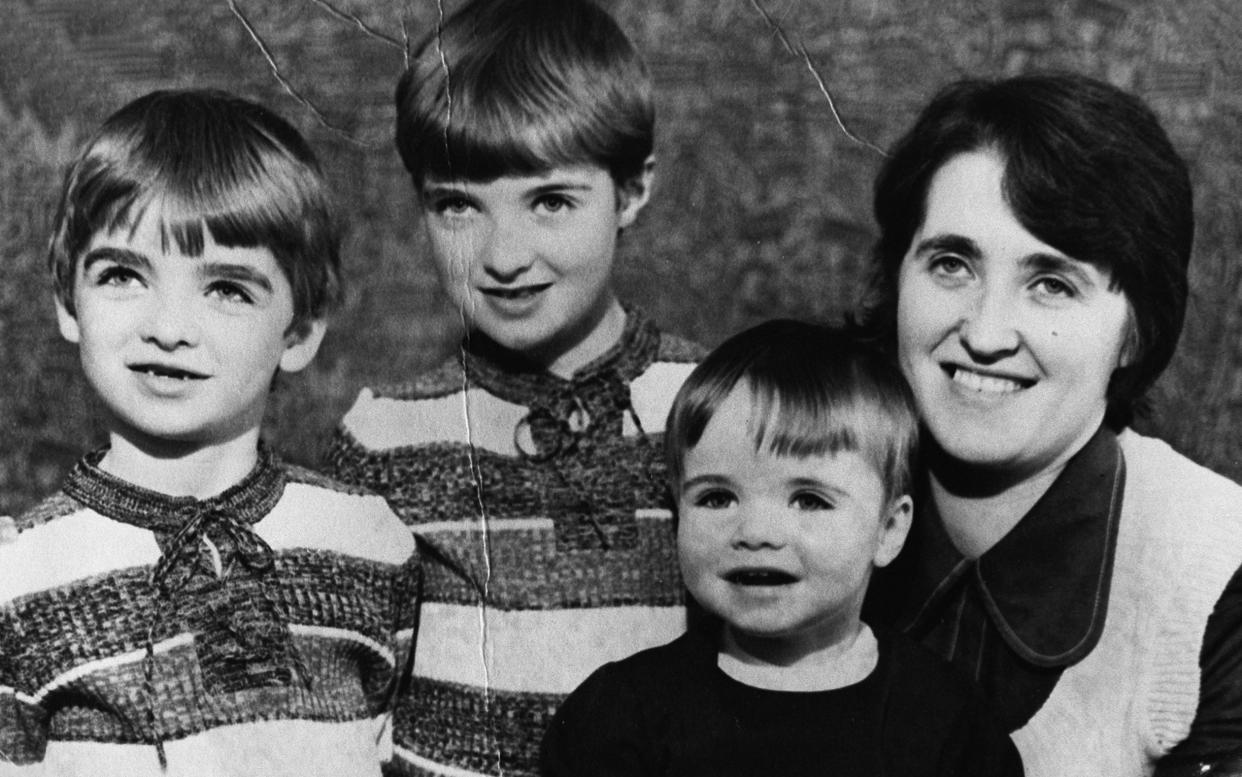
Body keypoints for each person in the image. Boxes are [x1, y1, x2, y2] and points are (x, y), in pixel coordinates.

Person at [323, 1, 702, 774]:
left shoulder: (716, 405)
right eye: (458, 205)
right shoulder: (383, 439)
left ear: (631, 193)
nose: (503, 255)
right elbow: (339, 709)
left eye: (551, 201)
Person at [0, 89, 417, 776]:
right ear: (67, 300)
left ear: (302, 330)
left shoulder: (367, 540)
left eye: (227, 288)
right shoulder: (22, 576)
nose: (169, 328)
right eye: (123, 274)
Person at [861, 72, 1242, 776]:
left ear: (1135, 331)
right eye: (950, 263)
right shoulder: (799, 497)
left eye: (1052, 284)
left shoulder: (1218, 566)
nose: (985, 332)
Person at [541, 320, 1023, 776]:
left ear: (888, 530)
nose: (755, 532)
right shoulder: (622, 717)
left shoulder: (948, 724)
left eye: (809, 500)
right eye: (717, 497)